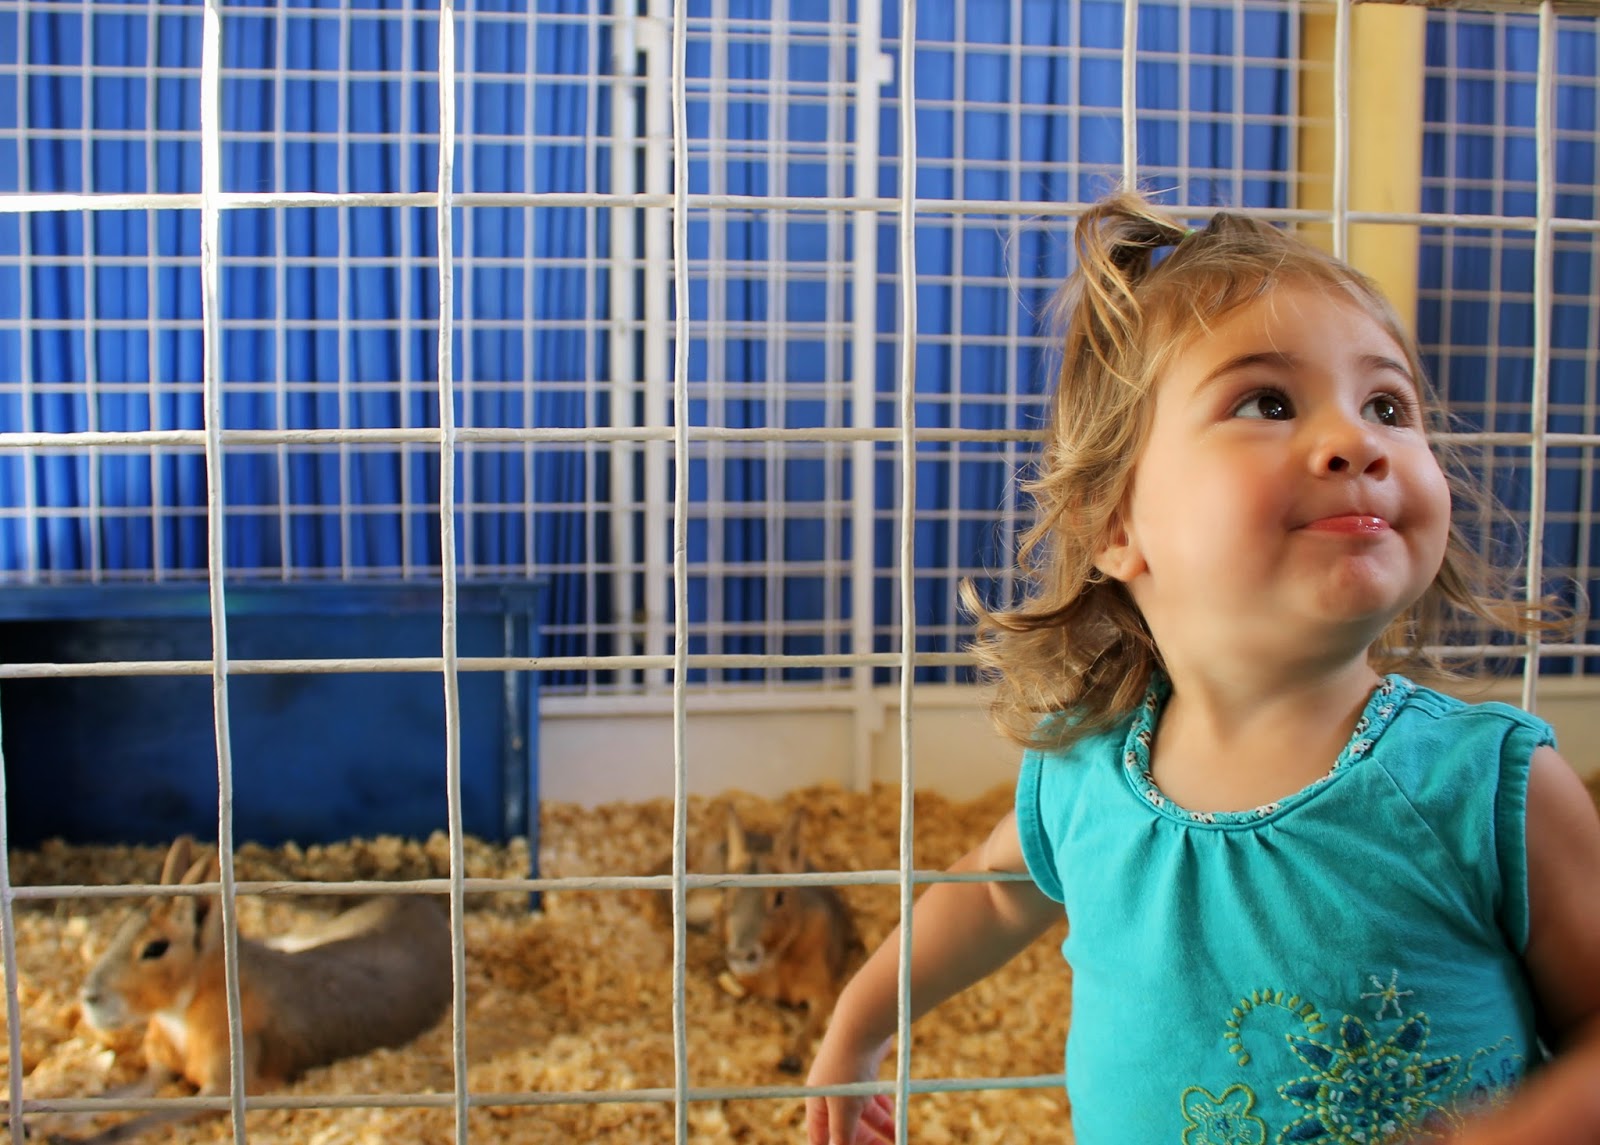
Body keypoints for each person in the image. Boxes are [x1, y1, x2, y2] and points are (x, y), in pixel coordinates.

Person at [804, 187, 1600, 1144]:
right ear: (1115, 522)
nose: (1358, 441)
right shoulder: (1086, 771)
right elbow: (993, 894)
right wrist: (858, 1024)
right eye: (1268, 402)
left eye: (1387, 405)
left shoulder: (1487, 785)